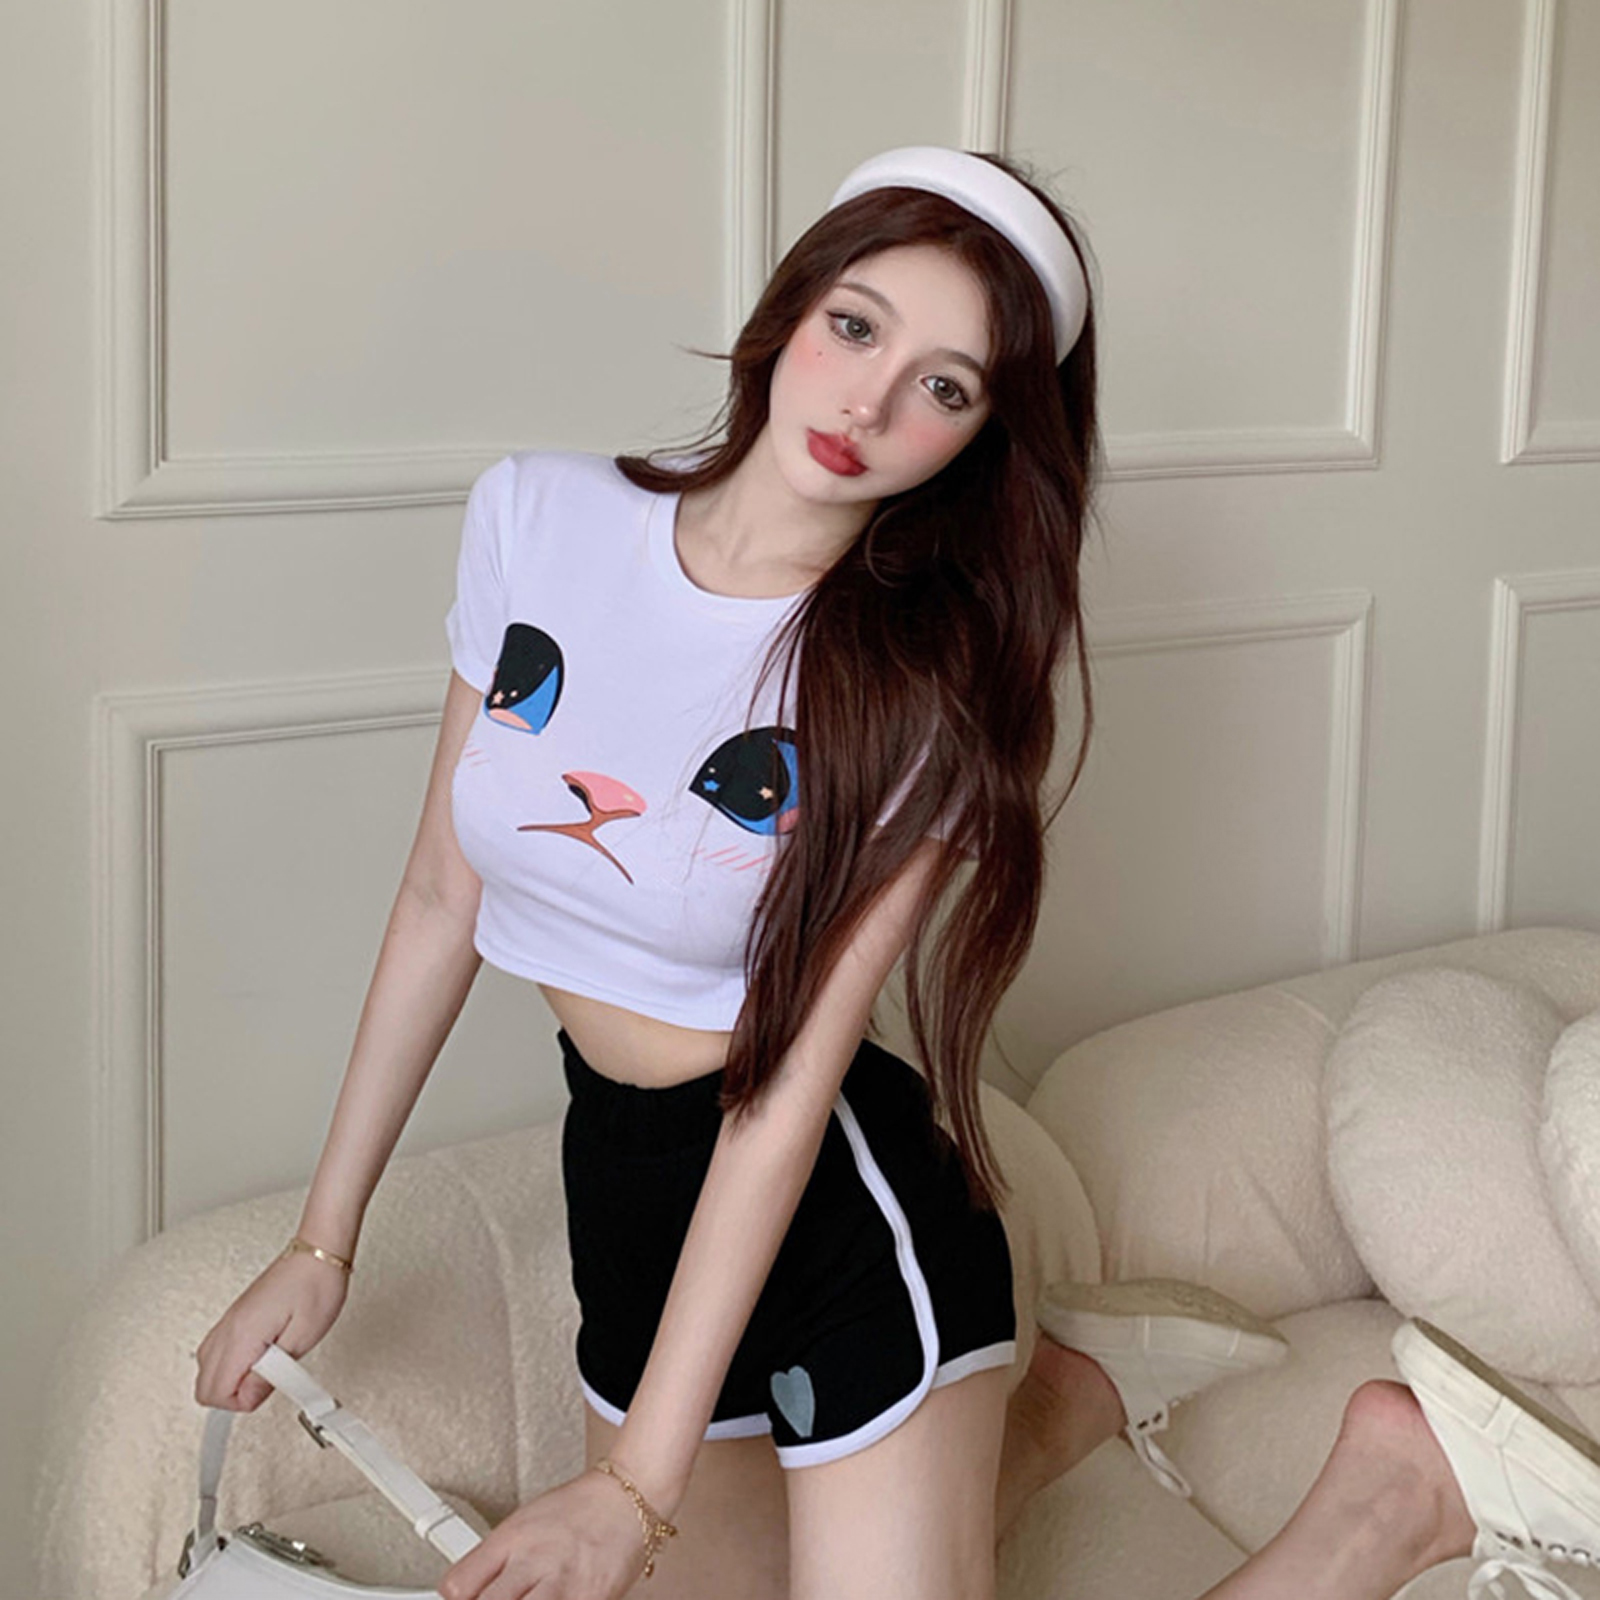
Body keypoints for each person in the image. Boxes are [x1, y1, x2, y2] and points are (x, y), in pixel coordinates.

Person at [192, 148, 1600, 1600]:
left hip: (834, 1208)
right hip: (618, 1180)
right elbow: (443, 894)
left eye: (945, 385)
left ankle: (1387, 1497)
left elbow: (786, 1093)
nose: (868, 404)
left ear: (984, 437)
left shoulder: (924, 682)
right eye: (855, 328)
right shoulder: (537, 520)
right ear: (789, 312)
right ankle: (1057, 1406)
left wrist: (631, 1485)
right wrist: (322, 1243)